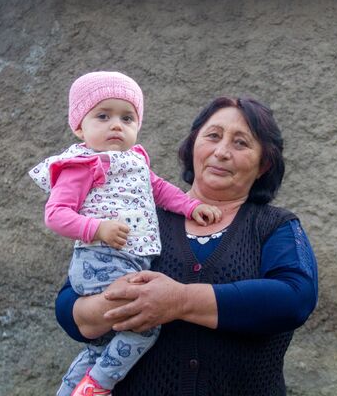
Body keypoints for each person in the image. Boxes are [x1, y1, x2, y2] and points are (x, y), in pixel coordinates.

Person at [55, 96, 319, 395]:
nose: (221, 152)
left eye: (241, 143)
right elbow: (68, 309)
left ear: (263, 164)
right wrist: (119, 304)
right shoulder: (139, 215)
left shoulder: (274, 226)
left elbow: (296, 298)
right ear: (193, 145)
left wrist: (179, 301)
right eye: (213, 136)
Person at [29, 71, 221, 396]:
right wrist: (97, 228)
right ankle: (99, 386)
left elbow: (161, 190)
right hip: (100, 260)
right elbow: (56, 215)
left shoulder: (135, 163)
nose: (116, 125)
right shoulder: (83, 164)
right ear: (79, 126)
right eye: (103, 116)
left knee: (101, 342)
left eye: (127, 117)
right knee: (144, 326)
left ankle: (73, 389)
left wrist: (190, 207)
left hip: (129, 263)